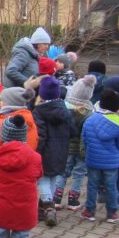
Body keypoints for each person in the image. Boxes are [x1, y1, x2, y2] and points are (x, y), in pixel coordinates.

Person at [32, 76, 76, 227]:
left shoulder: (38, 111)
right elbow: (73, 131)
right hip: (61, 151)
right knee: (52, 179)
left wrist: (35, 152)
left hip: (45, 152)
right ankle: (43, 210)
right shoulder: (65, 109)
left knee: (43, 179)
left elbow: (41, 135)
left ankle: (49, 208)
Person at [81, 89, 119, 223]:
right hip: (112, 162)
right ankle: (112, 213)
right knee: (111, 186)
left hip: (93, 159)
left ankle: (89, 211)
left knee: (92, 185)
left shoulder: (90, 120)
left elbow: (84, 139)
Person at [57, 75, 96, 212]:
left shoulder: (64, 110)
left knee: (62, 172)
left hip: (66, 147)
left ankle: (56, 198)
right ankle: (73, 200)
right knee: (79, 174)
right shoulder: (89, 114)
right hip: (81, 149)